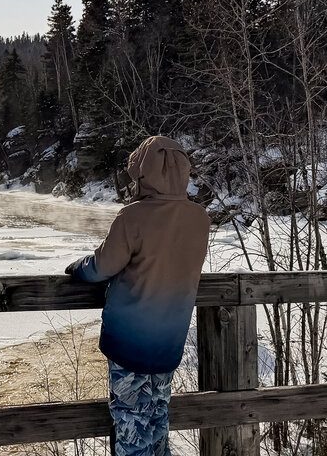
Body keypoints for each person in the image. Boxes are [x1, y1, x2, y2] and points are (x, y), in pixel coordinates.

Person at [65, 135, 210, 456]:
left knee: (132, 428)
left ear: (143, 173)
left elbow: (102, 266)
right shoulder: (199, 218)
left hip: (131, 344)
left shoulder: (133, 217)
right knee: (157, 421)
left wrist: (78, 267)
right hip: (169, 341)